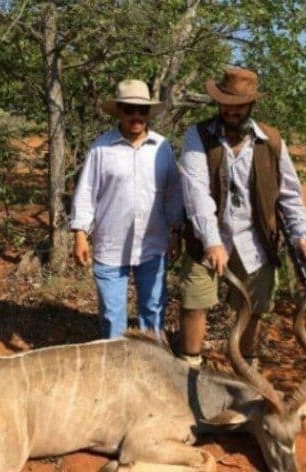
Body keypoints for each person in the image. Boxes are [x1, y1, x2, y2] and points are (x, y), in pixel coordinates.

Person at [177, 67, 306, 367]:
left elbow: (290, 193)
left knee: (254, 309)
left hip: (256, 241)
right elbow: (196, 192)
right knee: (194, 302)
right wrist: (211, 241)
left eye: (238, 105)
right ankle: (189, 368)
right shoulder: (198, 135)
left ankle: (246, 373)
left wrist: (300, 233)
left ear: (250, 104)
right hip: (208, 237)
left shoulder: (270, 140)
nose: (230, 110)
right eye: (225, 103)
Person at [70, 78, 184, 340]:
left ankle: (152, 360)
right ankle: (115, 361)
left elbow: (173, 193)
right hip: (111, 244)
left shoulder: (162, 148)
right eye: (129, 109)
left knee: (153, 310)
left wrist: (176, 231)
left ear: (148, 113)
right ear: (119, 111)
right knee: (112, 315)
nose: (136, 116)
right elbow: (86, 191)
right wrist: (80, 234)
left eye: (141, 110)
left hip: (153, 243)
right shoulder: (101, 148)